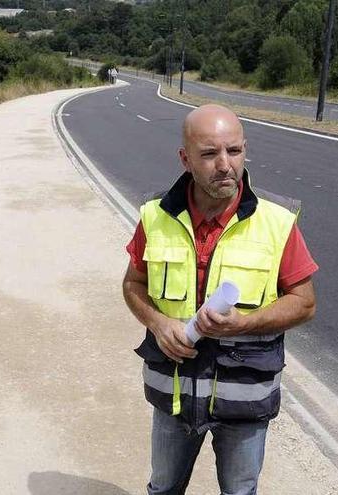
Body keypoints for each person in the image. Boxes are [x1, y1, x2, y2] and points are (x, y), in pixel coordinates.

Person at [122, 104, 317, 495]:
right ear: (186, 159)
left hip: (243, 397)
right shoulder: (155, 216)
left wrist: (243, 323)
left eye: (234, 151)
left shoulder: (276, 221)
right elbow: (133, 284)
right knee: (162, 489)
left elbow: (304, 302)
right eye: (210, 154)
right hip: (174, 395)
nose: (225, 165)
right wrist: (159, 324)